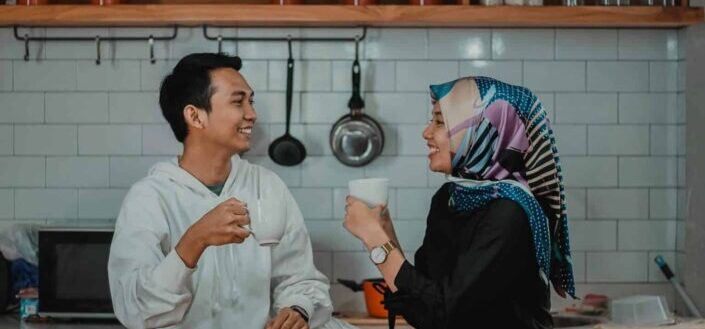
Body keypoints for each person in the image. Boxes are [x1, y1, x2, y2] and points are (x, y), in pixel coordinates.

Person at [108, 53, 342, 329]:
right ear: (195, 116)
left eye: (250, 101)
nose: (252, 114)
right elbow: (138, 312)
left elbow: (300, 278)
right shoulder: (149, 199)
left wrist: (297, 309)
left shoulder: (266, 186)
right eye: (237, 101)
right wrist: (193, 241)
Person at [343, 76, 576, 329]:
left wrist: (375, 239)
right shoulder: (450, 197)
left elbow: (445, 314)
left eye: (441, 122)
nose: (427, 132)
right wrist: (385, 232)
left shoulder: (511, 211)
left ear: (484, 128)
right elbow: (425, 304)